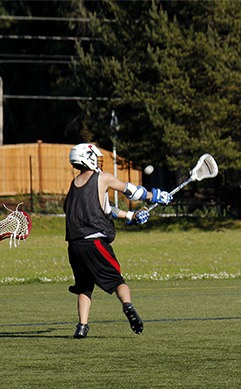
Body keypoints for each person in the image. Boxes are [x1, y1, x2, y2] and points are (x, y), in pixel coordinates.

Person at [64, 143, 173, 338]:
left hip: (75, 247)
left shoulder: (74, 184)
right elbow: (131, 191)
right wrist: (156, 196)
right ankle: (128, 305)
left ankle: (82, 326)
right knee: (117, 281)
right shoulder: (102, 178)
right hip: (96, 243)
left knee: (84, 287)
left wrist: (131, 216)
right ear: (88, 158)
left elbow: (106, 209)